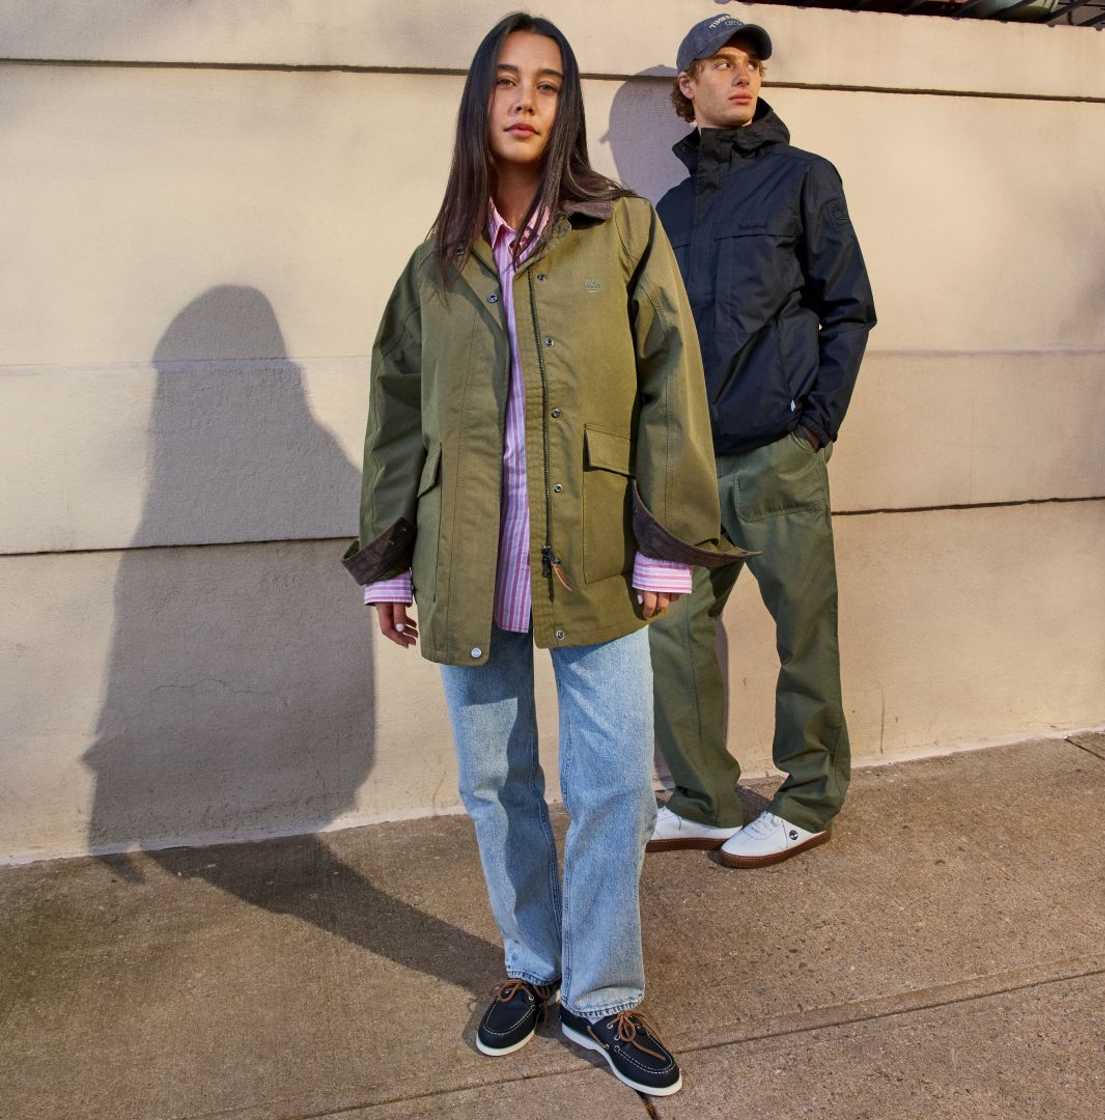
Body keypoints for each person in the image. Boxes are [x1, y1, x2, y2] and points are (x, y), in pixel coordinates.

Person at [342, 13, 740, 1097]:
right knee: (495, 781)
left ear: (565, 106)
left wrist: (664, 548)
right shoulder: (435, 262)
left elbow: (672, 385)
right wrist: (389, 561)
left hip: (598, 551)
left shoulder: (621, 229)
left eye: (549, 84)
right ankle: (533, 965)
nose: (526, 101)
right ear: (478, 100)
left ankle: (602, 994)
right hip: (467, 558)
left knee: (612, 783)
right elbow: (395, 418)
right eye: (507, 81)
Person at [646, 16, 876, 867]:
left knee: (803, 632)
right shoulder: (668, 211)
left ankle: (809, 797)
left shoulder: (804, 178)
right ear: (687, 85)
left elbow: (849, 308)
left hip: (779, 454)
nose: (743, 76)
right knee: (672, 631)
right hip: (691, 466)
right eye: (721, 63)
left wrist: (814, 428)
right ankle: (703, 798)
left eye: (752, 64)